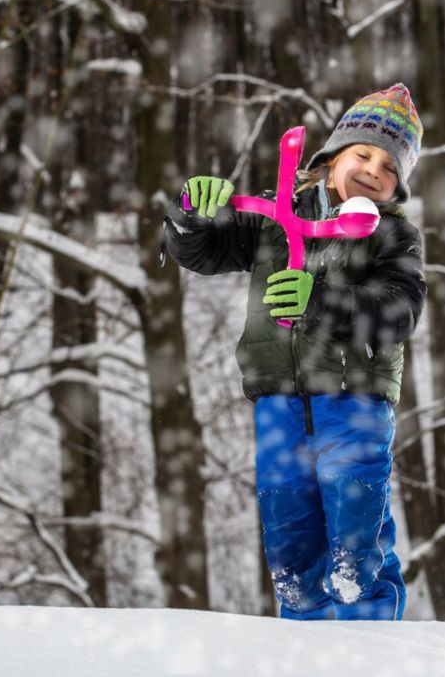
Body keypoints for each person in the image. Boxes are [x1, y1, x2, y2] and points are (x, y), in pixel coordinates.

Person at [162, 83, 426, 621]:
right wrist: (190, 212)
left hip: (355, 401)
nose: (375, 169)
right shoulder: (273, 215)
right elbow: (203, 251)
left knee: (355, 547)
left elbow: (400, 312)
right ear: (331, 156)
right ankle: (305, 665)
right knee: (290, 544)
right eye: (363, 153)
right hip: (279, 403)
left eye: (390, 166)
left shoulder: (392, 234)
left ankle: (375, 655)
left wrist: (325, 301)